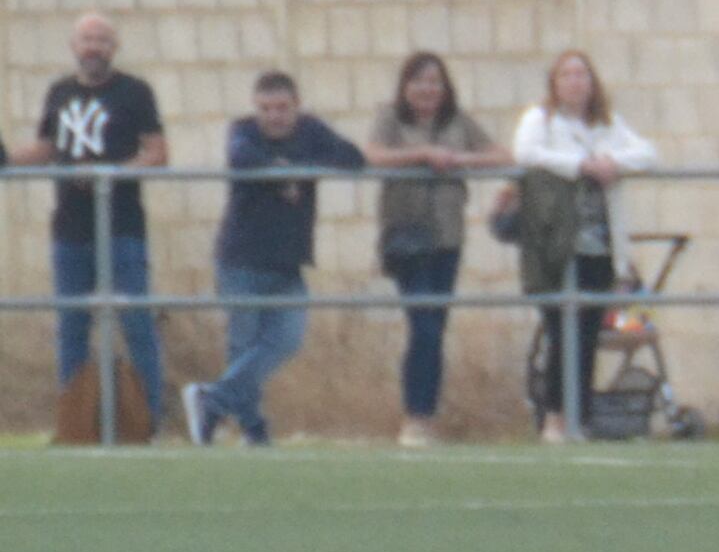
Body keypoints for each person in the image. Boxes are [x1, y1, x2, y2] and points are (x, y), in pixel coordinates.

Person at [182, 73, 364, 448]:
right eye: (266, 108)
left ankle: (210, 400)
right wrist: (282, 172)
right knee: (243, 348)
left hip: (288, 264)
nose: (275, 117)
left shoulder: (310, 131)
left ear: (297, 105)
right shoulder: (244, 132)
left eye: (283, 108)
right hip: (243, 260)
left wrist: (300, 163)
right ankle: (254, 430)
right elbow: (243, 158)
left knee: (285, 342)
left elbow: (354, 159)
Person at [18, 14, 171, 441]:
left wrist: (111, 173)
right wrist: (11, 159)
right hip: (71, 230)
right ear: (73, 45)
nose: (94, 47)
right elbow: (47, 148)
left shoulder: (134, 92)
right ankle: (74, 426)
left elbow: (157, 153)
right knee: (72, 327)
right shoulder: (60, 93)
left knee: (136, 323)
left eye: (103, 39)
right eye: (87, 39)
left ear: (115, 47)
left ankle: (148, 424)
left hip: (122, 226)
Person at [511, 50, 655, 441]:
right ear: (555, 83)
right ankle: (555, 416)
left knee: (589, 333)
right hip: (556, 245)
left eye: (582, 74)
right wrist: (579, 166)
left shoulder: (608, 125)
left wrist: (612, 162)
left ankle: (581, 416)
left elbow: (647, 153)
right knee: (561, 331)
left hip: (599, 246)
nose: (576, 82)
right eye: (567, 74)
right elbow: (525, 153)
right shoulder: (540, 120)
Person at [366, 51, 505, 448]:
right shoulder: (391, 118)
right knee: (423, 324)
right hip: (406, 236)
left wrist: (459, 159)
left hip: (447, 237)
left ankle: (426, 416)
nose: (428, 89)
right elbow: (373, 154)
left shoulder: (458, 122)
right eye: (420, 81)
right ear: (405, 86)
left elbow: (501, 154)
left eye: (435, 82)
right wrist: (422, 155)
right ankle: (415, 417)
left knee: (434, 328)